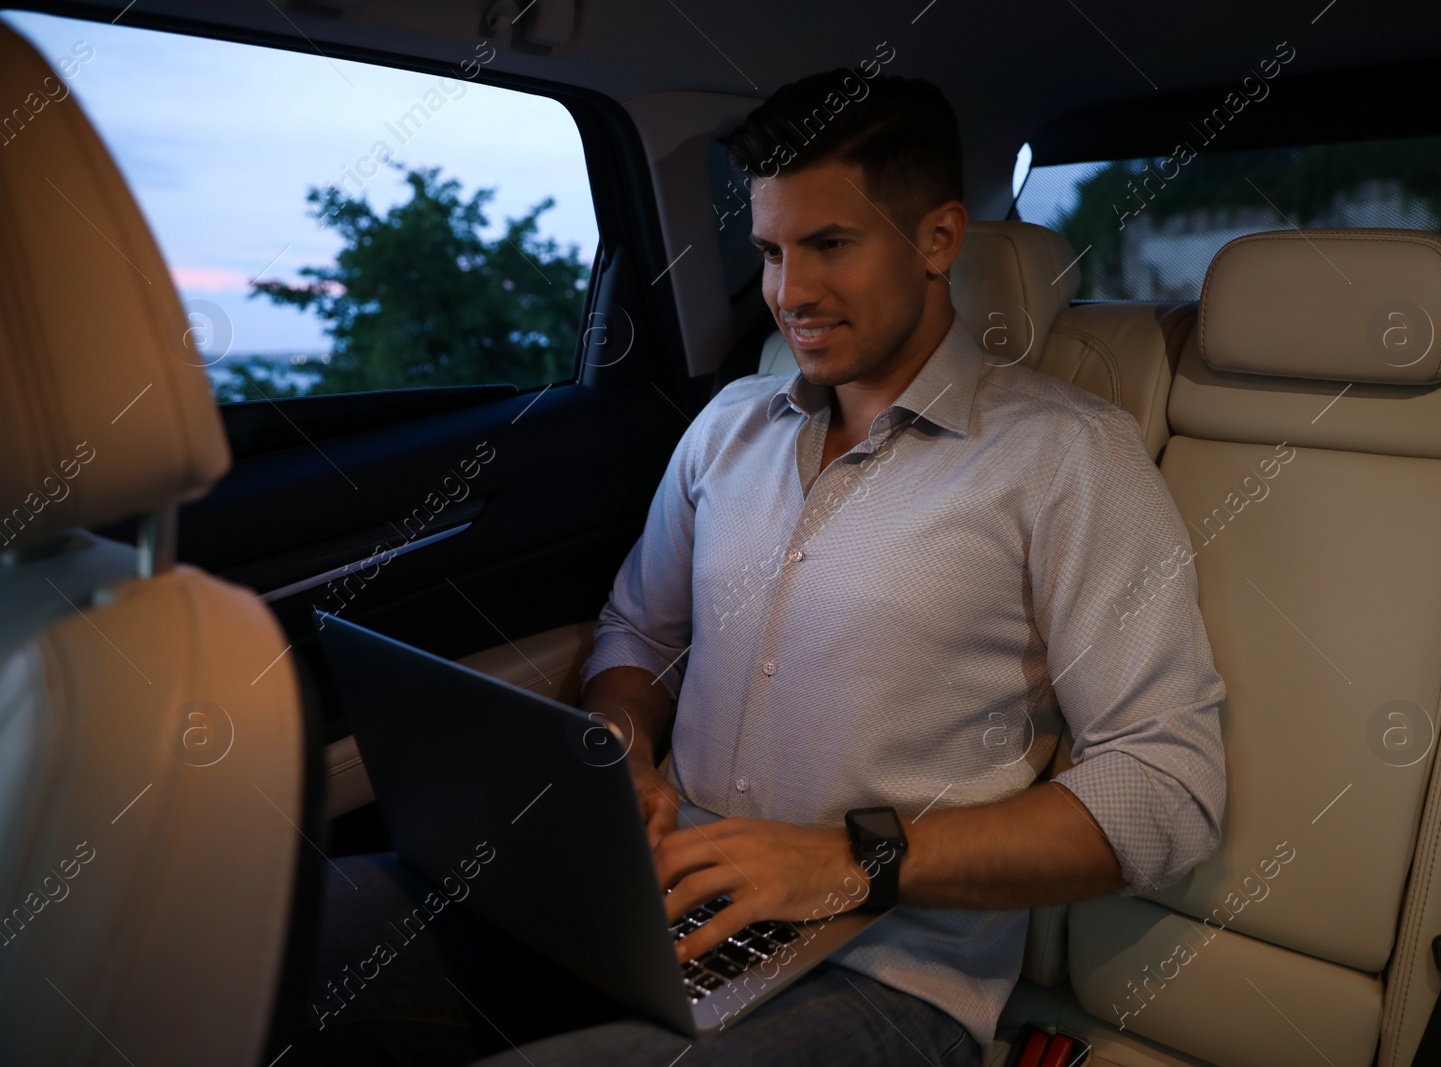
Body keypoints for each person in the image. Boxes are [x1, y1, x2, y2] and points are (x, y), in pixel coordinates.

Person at [295, 69, 1226, 1067]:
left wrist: (850, 862)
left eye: (830, 245)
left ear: (938, 239)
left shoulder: (1067, 456)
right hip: (645, 902)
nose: (789, 293)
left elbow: (1167, 789)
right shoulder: (726, 423)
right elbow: (640, 635)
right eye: (771, 252)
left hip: (884, 978)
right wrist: (623, 741)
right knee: (265, 927)